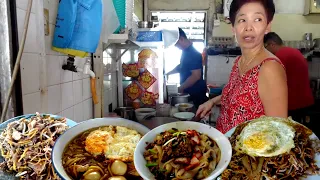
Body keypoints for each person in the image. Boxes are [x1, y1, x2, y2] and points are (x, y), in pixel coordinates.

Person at [196, 0, 288, 134]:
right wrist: (212, 102)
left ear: (268, 26)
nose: (248, 27)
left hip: (248, 154)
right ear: (233, 27)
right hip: (225, 146)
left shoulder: (269, 68)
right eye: (242, 20)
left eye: (257, 19)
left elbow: (279, 133)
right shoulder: (238, 62)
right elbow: (236, 96)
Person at [264, 32, 314, 122]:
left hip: (293, 103)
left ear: (272, 44)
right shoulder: (294, 51)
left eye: (266, 47)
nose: (266, 50)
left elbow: (275, 82)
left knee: (290, 130)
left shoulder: (280, 56)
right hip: (304, 99)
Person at [166, 28, 208, 107]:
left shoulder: (193, 53)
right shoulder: (185, 52)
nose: (176, 46)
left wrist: (181, 88)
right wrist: (168, 73)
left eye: (176, 44)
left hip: (195, 94)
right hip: (189, 93)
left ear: (181, 39)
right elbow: (182, 66)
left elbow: (196, 75)